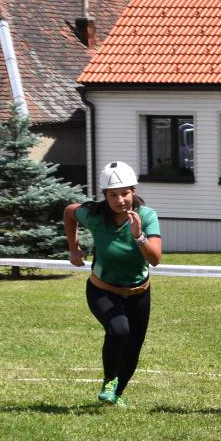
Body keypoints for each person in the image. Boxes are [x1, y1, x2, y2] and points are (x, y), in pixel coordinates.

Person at [63, 162, 162, 407]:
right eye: (113, 195)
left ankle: (116, 394)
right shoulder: (94, 215)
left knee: (133, 348)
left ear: (133, 191)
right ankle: (109, 380)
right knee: (119, 331)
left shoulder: (147, 216)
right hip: (103, 289)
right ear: (105, 196)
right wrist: (73, 248)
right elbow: (69, 212)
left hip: (139, 292)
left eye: (124, 193)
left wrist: (138, 235)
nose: (120, 200)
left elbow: (155, 259)